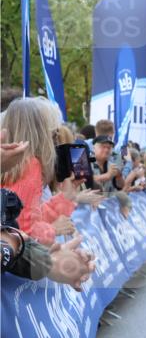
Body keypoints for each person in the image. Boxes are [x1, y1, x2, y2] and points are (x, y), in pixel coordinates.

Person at [0, 97, 76, 245]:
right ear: (41, 133)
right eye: (53, 134)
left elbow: (28, 215)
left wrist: (64, 197)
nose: (54, 141)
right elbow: (22, 231)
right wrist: (52, 229)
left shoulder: (13, 163)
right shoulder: (30, 165)